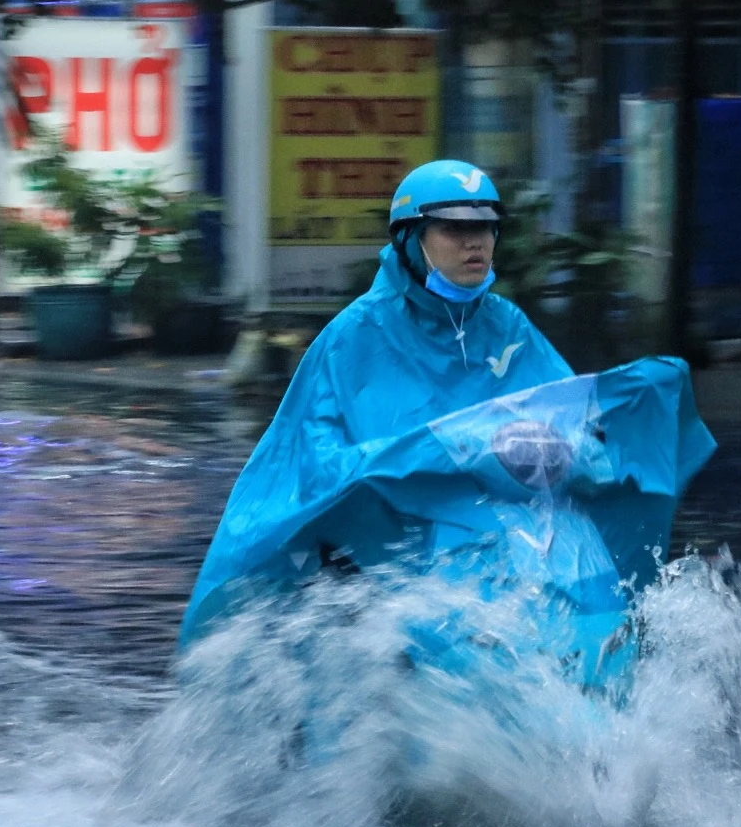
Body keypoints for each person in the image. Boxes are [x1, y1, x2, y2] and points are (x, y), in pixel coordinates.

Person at [179, 160, 575, 643]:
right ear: (410, 238)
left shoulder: (508, 326)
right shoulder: (354, 335)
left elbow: (571, 418)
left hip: (486, 542)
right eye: (455, 228)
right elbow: (317, 466)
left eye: (487, 228)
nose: (477, 243)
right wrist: (428, 457)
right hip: (377, 556)